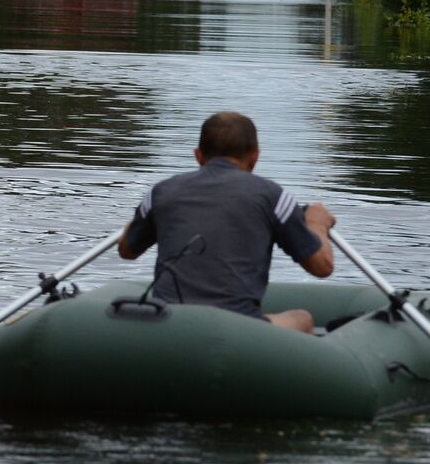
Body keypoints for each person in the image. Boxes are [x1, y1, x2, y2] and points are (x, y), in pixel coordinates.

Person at [118, 111, 335, 332]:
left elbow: (127, 250)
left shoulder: (161, 192)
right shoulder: (273, 196)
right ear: (255, 157)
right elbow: (322, 267)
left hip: (168, 322)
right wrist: (317, 224)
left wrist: (135, 225)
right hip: (237, 328)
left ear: (198, 156)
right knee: (302, 318)